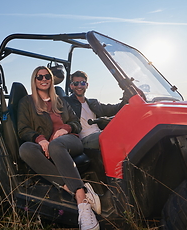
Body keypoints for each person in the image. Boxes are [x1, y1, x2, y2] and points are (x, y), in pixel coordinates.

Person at [18, 66, 100, 230]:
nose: (44, 80)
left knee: (56, 144)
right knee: (25, 149)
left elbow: (76, 123)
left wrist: (65, 129)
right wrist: (40, 139)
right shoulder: (27, 102)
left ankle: (83, 208)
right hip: (46, 145)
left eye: (47, 76)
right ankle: (79, 191)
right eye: (39, 77)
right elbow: (23, 129)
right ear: (34, 80)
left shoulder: (60, 100)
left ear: (51, 79)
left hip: (70, 141)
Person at [65, 70, 126, 149]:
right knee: (112, 136)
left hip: (100, 133)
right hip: (84, 139)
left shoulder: (93, 103)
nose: (79, 86)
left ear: (87, 85)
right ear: (71, 86)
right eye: (76, 83)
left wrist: (125, 100)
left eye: (82, 83)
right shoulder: (66, 102)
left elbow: (112, 109)